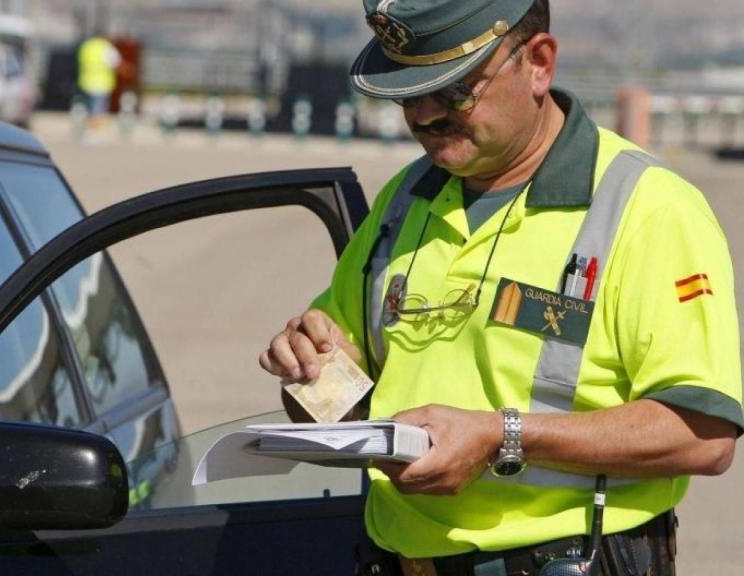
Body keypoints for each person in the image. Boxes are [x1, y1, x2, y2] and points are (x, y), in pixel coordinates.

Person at [259, 1, 741, 574]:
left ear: (538, 63)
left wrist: (502, 436)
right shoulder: (404, 200)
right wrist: (308, 371)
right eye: (408, 94)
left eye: (454, 89)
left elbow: (703, 435)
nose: (426, 115)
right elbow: (342, 403)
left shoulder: (647, 208)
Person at [76, 33, 121, 126]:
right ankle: (95, 124)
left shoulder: (87, 46)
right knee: (98, 105)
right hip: (101, 82)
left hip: (85, 81)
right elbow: (115, 63)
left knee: (87, 104)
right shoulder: (106, 48)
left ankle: (82, 121)